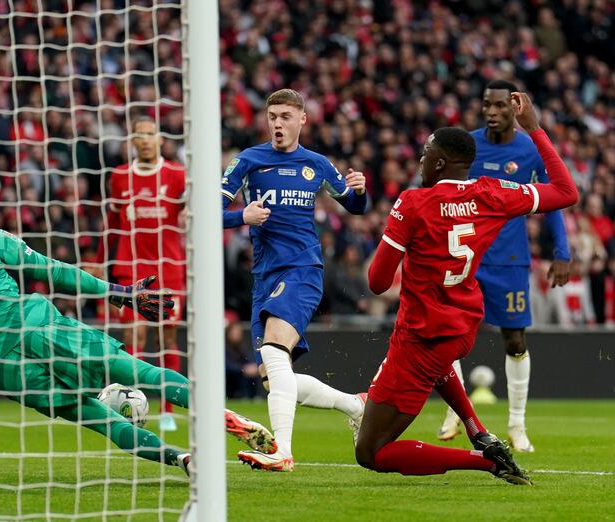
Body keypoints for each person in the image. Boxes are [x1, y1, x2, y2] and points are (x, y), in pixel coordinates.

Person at [0, 167, 277, 476]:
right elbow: (54, 270)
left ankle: (184, 460)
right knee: (135, 370)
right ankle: (219, 416)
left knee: (96, 417)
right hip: (31, 322)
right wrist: (120, 293)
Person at [357, 93, 578, 485]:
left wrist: (400, 239)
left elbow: (376, 283)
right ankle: (479, 431)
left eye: (424, 156)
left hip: (422, 335)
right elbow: (566, 192)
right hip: (462, 327)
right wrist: (535, 130)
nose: (420, 162)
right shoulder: (492, 193)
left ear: (438, 162)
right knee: (440, 365)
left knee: (371, 451)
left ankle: (485, 461)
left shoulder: (413, 203)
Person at [221, 88, 368, 472]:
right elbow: (207, 210)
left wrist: (360, 190)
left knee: (273, 352)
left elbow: (353, 206)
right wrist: (241, 217)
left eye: (286, 116)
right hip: (264, 277)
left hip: (302, 270)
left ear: (303, 119)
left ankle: (282, 452)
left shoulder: (316, 164)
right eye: (272, 117)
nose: (278, 124)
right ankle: (355, 405)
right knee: (274, 378)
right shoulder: (248, 161)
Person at [437, 80, 571, 452]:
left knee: (514, 340)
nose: (493, 112)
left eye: (500, 106)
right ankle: (455, 410)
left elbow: (553, 201)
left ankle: (517, 424)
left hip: (510, 260)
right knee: (450, 334)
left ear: (515, 108)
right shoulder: (467, 145)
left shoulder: (529, 151)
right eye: (487, 105)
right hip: (466, 255)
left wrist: (561, 252)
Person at [100, 116, 186, 432]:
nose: (146, 140)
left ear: (160, 139)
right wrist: (100, 261)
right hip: (130, 265)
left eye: (151, 135)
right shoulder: (120, 176)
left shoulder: (177, 174)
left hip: (170, 267)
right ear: (132, 141)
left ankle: (167, 410)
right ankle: (132, 401)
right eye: (140, 135)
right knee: (133, 334)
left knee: (167, 337)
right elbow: (112, 224)